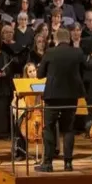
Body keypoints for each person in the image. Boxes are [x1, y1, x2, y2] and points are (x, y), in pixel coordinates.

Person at [36, 28, 86, 172]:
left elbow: (40, 75)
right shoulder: (77, 52)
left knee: (49, 128)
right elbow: (84, 70)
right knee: (69, 129)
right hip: (71, 95)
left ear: (55, 39)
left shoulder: (50, 52)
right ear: (69, 38)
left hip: (52, 96)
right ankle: (68, 164)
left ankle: (48, 164)